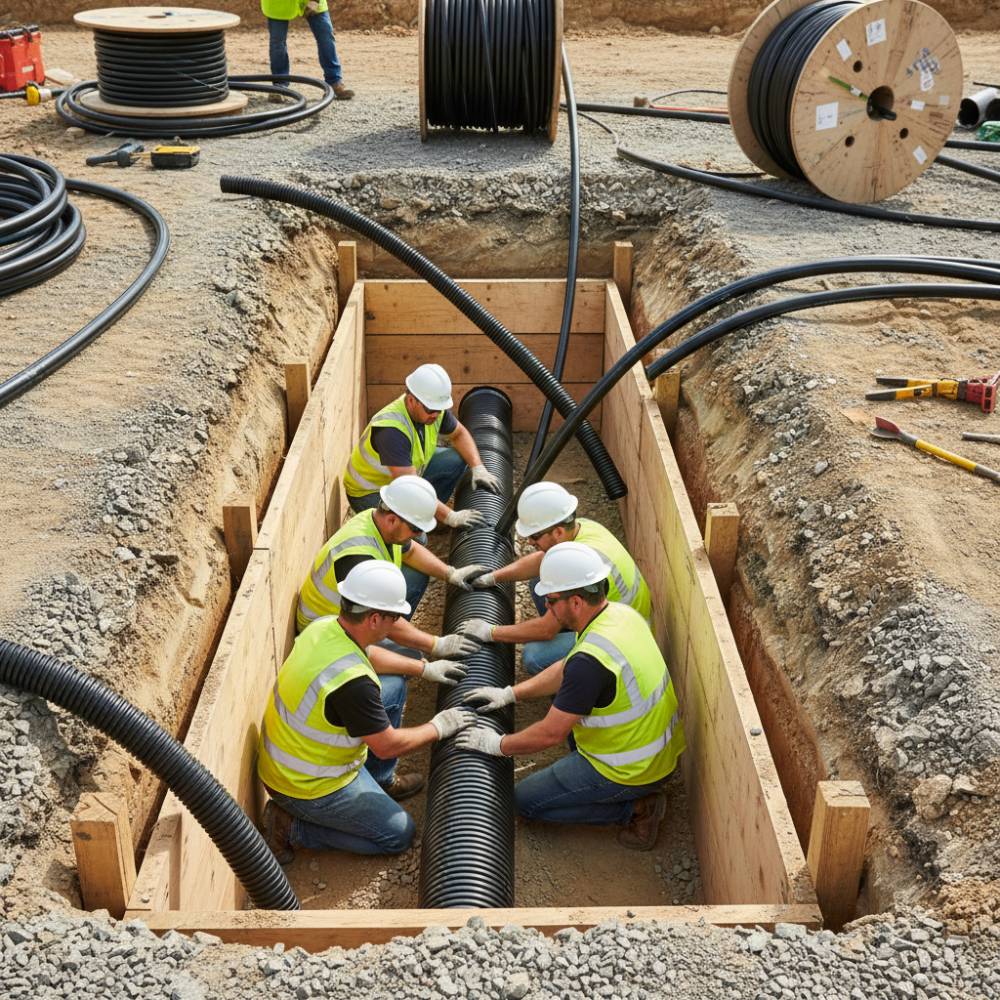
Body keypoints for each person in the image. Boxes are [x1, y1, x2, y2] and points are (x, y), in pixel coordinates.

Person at [455, 542, 686, 851]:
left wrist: (496, 744)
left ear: (576, 602)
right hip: (651, 751)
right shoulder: (618, 615)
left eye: (551, 600)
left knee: (525, 801)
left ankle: (637, 809)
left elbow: (550, 733)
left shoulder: (590, 665)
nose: (547, 608)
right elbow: (565, 667)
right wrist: (510, 693)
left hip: (630, 770)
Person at [259, 561, 474, 862]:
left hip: (295, 759)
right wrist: (440, 726)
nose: (398, 623)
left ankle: (381, 780)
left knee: (394, 689)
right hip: (307, 784)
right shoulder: (353, 686)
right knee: (398, 834)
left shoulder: (325, 626)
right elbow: (387, 746)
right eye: (394, 617)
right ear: (373, 619)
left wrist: (424, 668)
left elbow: (366, 654)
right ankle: (291, 827)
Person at [454, 481, 652, 675]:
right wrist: (492, 577)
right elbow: (541, 561)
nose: (529, 541)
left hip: (619, 635)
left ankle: (575, 686)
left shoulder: (575, 564)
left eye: (535, 536)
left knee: (534, 656)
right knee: (542, 580)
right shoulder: (582, 528)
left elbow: (546, 630)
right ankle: (566, 628)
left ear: (557, 531)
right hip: (617, 613)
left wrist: (491, 632)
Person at [344, 363, 501, 599]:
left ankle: (432, 520)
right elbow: (410, 490)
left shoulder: (433, 407)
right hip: (372, 491)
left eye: (439, 410)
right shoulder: (391, 431)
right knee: (417, 537)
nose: (435, 416)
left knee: (456, 460)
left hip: (408, 478)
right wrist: (451, 516)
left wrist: (478, 468)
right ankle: (397, 576)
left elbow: (459, 434)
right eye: (430, 410)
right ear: (411, 399)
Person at [297, 474, 486, 636]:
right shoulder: (359, 556)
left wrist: (451, 573)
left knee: (416, 574)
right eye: (415, 528)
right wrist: (435, 645)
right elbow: (376, 616)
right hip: (323, 629)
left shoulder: (378, 523)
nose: (419, 535)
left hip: (355, 616)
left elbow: (410, 551)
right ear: (392, 519)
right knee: (400, 669)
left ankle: (387, 638)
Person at [261, 0, 354, 101]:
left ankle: (334, 83)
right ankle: (279, 86)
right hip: (278, 4)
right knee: (277, 43)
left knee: (326, 36)